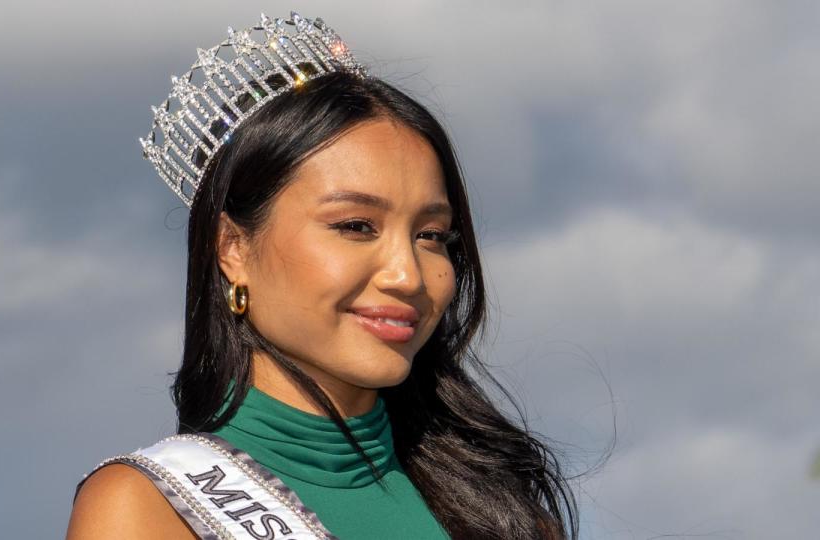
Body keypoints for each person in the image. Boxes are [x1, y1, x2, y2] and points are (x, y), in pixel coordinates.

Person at [66, 11, 578, 540]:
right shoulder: (152, 508)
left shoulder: (503, 513)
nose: (407, 275)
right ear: (233, 248)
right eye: (356, 226)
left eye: (432, 235)